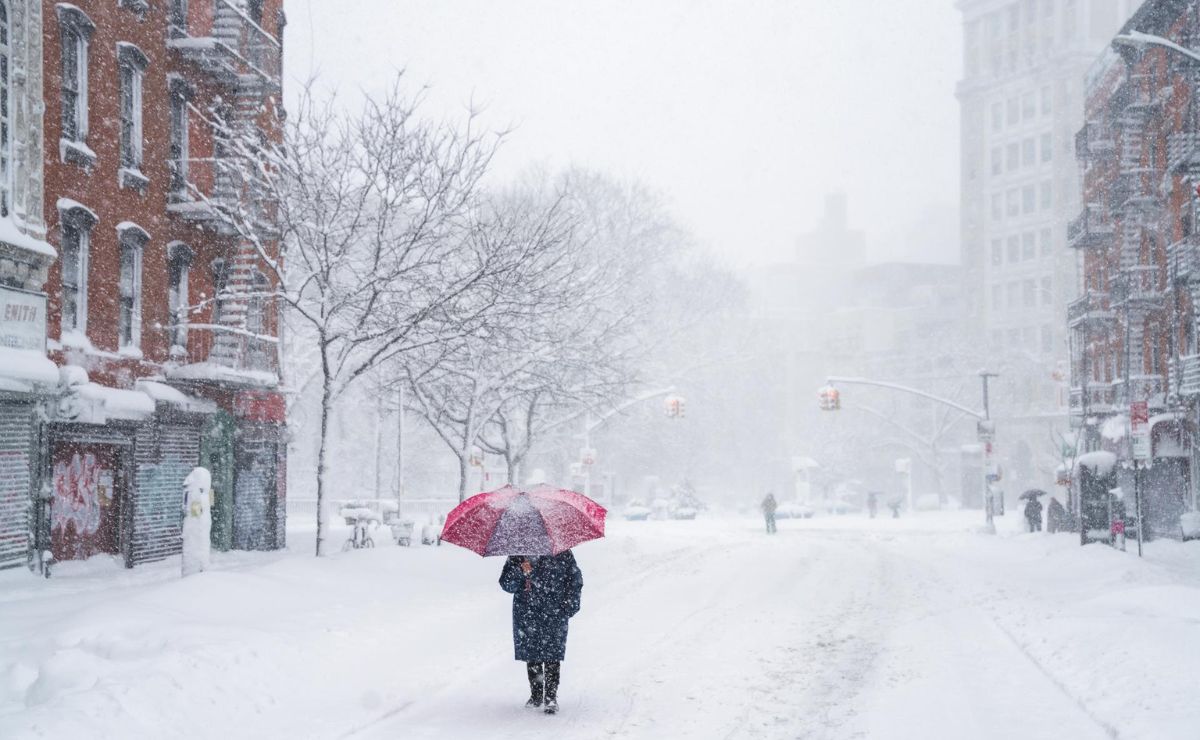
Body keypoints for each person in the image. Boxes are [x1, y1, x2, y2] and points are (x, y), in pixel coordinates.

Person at [499, 551, 583, 715]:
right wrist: (520, 571)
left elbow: (574, 580)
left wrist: (569, 605)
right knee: (532, 653)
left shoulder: (562, 552)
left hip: (555, 611)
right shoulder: (518, 555)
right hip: (527, 612)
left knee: (552, 653)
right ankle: (536, 694)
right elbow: (506, 584)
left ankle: (551, 696)